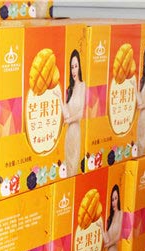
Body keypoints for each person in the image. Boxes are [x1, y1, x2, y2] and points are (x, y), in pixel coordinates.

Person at [57, 49, 86, 177]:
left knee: (74, 165)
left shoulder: (83, 86)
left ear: (79, 67)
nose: (74, 70)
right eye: (72, 67)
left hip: (76, 133)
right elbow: (66, 115)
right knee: (68, 166)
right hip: (69, 135)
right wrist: (59, 98)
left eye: (76, 66)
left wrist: (68, 120)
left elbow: (80, 114)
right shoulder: (70, 89)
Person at [100, 184, 123, 251]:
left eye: (115, 198)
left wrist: (107, 245)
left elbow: (118, 237)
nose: (114, 202)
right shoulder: (110, 218)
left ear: (119, 199)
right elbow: (106, 240)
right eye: (112, 199)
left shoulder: (121, 214)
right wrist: (101, 228)